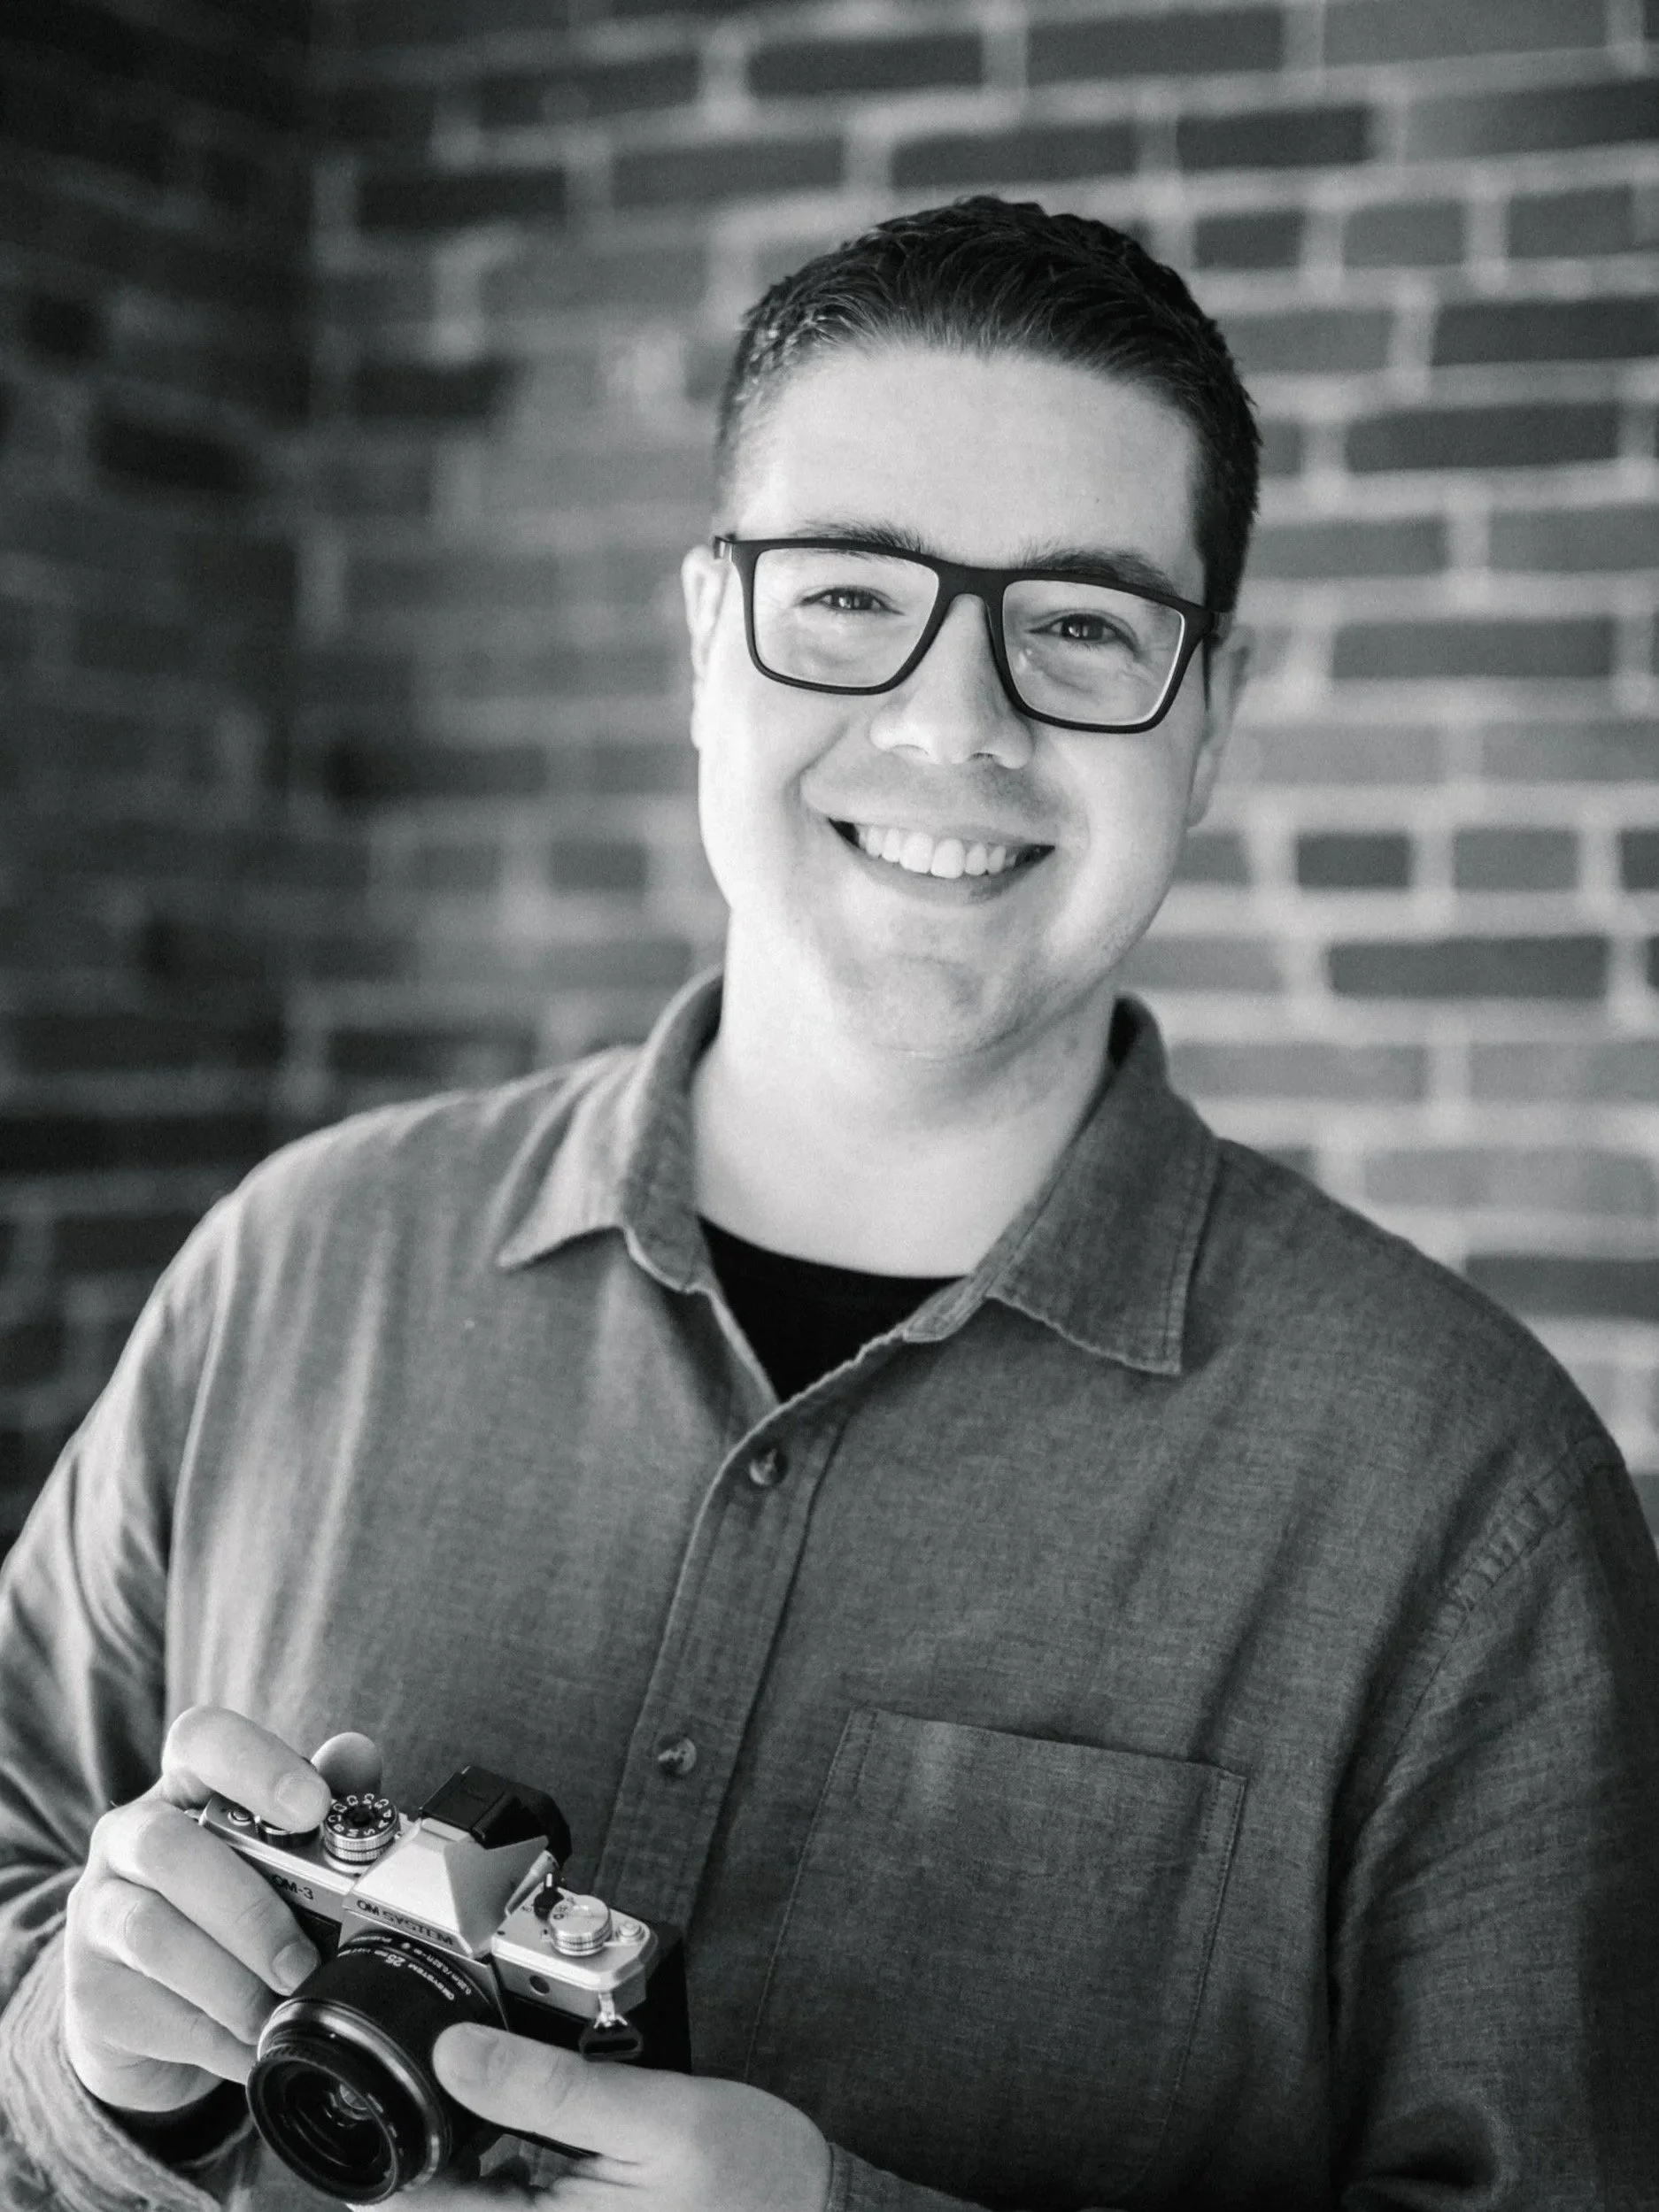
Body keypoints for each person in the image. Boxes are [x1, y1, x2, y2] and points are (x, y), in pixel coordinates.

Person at [1, 196, 1656, 2212]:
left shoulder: (1467, 1502)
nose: (954, 722)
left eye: (1080, 624)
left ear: (1208, 714)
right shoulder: (287, 1270)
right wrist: (95, 2064)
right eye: (851, 595)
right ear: (709, 638)